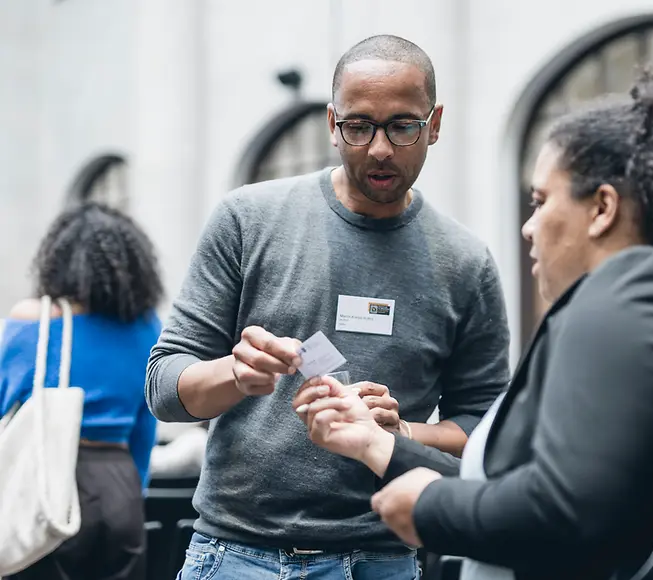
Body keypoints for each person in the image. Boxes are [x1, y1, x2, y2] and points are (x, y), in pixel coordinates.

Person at [293, 71, 653, 579]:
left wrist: (431, 508)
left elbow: (561, 511)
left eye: (540, 201)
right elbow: (545, 487)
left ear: (602, 208)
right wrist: (375, 443)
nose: (528, 227)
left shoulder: (626, 308)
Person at [145, 34, 510, 580]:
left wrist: (400, 434)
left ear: (434, 125)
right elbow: (163, 388)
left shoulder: (465, 263)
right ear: (332, 124)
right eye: (359, 126)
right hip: (237, 554)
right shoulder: (248, 219)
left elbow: (486, 431)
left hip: (382, 558)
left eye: (402, 126)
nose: (380, 148)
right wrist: (235, 374)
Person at [0, 202, 163, 580]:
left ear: (59, 260)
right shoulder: (147, 328)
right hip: (121, 485)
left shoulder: (35, 320)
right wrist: (131, 492)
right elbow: (146, 427)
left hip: (49, 478)